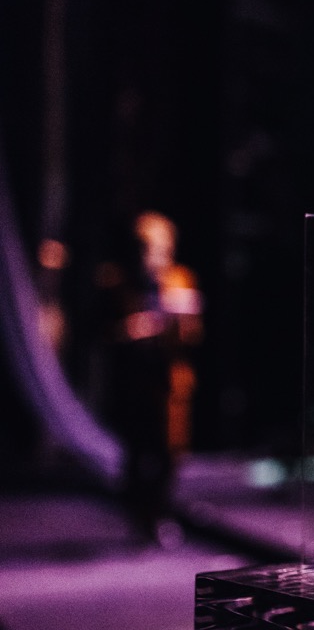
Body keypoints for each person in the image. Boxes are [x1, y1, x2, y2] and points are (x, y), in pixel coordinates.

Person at [105, 211, 202, 545]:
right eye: (149, 248)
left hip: (171, 383)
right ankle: (139, 516)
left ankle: (158, 513)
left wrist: (181, 319)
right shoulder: (119, 282)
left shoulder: (180, 279)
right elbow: (103, 333)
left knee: (170, 453)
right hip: (134, 384)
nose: (157, 256)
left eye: (163, 248)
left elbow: (194, 335)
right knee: (136, 453)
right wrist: (134, 328)